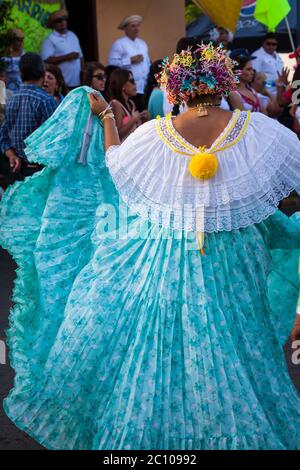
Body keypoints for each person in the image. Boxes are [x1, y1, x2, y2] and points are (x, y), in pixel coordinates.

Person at [1, 43, 300, 450]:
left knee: (168, 344)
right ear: (223, 81)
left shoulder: (157, 133)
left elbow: (115, 162)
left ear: (176, 88)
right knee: (235, 343)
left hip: (167, 255)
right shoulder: (257, 130)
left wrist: (107, 116)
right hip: (235, 259)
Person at [0, 53, 57, 180]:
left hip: (17, 170)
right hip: (41, 172)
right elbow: (54, 142)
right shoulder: (46, 100)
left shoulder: (12, 100)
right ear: (43, 73)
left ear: (20, 74)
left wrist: (12, 156)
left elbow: (3, 137)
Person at [108, 15, 151, 111]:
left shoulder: (142, 43)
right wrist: (129, 61)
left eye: (137, 26)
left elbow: (148, 62)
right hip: (130, 88)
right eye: (133, 26)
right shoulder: (119, 44)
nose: (136, 29)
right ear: (126, 28)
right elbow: (112, 63)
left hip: (144, 87)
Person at [41, 9, 83, 89]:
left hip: (77, 82)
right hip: (62, 83)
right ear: (53, 24)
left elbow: (80, 56)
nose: (62, 22)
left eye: (64, 19)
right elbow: (46, 59)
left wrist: (83, 73)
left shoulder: (72, 35)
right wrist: (67, 57)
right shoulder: (49, 39)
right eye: (59, 21)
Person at [108, 68, 148, 141]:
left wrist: (142, 118)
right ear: (122, 85)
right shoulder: (115, 104)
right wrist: (134, 119)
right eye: (132, 81)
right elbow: (117, 134)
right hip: (123, 149)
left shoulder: (131, 103)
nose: (135, 84)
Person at [1, 29, 25, 93]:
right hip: (6, 87)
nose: (20, 43)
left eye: (22, 40)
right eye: (18, 41)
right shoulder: (3, 55)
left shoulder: (23, 55)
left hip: (20, 87)